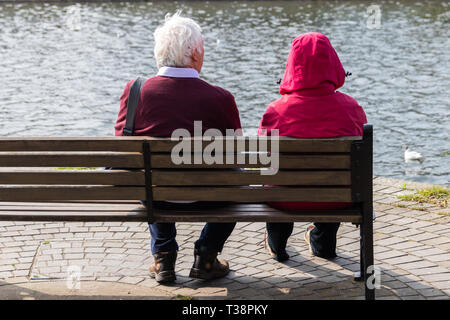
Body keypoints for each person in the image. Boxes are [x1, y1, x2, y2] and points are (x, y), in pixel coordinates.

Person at [115, 12, 242, 283]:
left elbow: (124, 149)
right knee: (238, 182)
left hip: (155, 192)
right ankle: (207, 255)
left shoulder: (135, 90)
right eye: (203, 48)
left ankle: (163, 257)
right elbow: (236, 154)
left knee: (148, 172)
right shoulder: (221, 97)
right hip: (207, 195)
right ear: (195, 53)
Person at [258, 32, 367, 262]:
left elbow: (266, 159)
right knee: (332, 179)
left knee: (278, 176)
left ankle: (277, 244)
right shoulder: (351, 108)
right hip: (338, 197)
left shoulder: (275, 111)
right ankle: (322, 243)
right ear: (333, 63)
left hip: (283, 197)